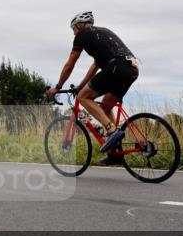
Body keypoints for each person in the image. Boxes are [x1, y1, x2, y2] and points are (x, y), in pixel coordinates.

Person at [45, 12, 139, 165]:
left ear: (80, 25)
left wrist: (57, 87)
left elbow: (69, 65)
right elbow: (95, 66)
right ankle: (115, 153)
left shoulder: (82, 35)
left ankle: (111, 129)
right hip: (132, 69)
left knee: (83, 97)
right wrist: (81, 86)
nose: (74, 33)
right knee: (105, 107)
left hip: (116, 67)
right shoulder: (103, 32)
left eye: (73, 28)